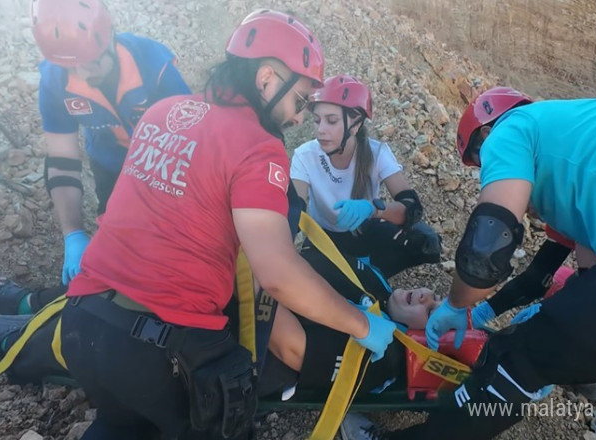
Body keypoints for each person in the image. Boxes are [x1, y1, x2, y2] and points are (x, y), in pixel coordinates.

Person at [41, 10, 395, 440]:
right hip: (160, 350)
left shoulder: (163, 111)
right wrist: (361, 326)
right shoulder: (258, 147)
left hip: (83, 326)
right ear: (266, 79)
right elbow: (278, 275)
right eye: (300, 101)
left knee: (122, 424)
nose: (300, 118)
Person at [345, 87, 596, 440]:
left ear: (485, 134)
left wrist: (456, 305)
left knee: (519, 356)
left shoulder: (514, 129)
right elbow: (554, 280)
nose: (489, 172)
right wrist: (480, 315)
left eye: (483, 166)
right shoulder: (585, 182)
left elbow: (489, 242)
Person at [30, 0, 190, 287]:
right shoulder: (53, 82)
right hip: (110, 165)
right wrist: (74, 234)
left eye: (91, 61)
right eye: (71, 66)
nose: (84, 75)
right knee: (117, 253)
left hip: (169, 164)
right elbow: (62, 163)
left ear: (110, 36)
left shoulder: (152, 63)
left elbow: (193, 137)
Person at [291, 75, 440, 278]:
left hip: (365, 231)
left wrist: (372, 209)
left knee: (426, 241)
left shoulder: (377, 153)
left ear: (356, 125)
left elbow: (411, 207)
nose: (320, 130)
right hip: (323, 237)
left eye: (331, 121)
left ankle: (372, 277)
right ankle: (361, 277)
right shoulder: (305, 155)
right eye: (317, 121)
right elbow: (295, 207)